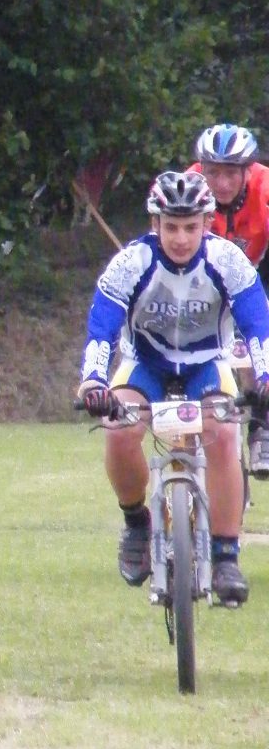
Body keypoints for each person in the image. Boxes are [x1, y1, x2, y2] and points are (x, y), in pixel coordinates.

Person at [76, 170, 269, 606]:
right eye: (171, 227)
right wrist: (92, 380)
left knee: (222, 433)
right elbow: (101, 327)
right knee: (120, 428)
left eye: (190, 227)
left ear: (206, 224)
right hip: (146, 363)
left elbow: (258, 324)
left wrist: (265, 376)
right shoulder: (131, 262)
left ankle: (225, 557)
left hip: (206, 364)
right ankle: (136, 524)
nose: (181, 238)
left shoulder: (228, 261)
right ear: (155, 225)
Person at [189, 123, 269, 474]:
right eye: (213, 173)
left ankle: (262, 425)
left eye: (230, 174)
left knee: (261, 338)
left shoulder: (265, 189)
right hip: (203, 278)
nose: (220, 183)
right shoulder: (185, 187)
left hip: (258, 271)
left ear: (247, 171)